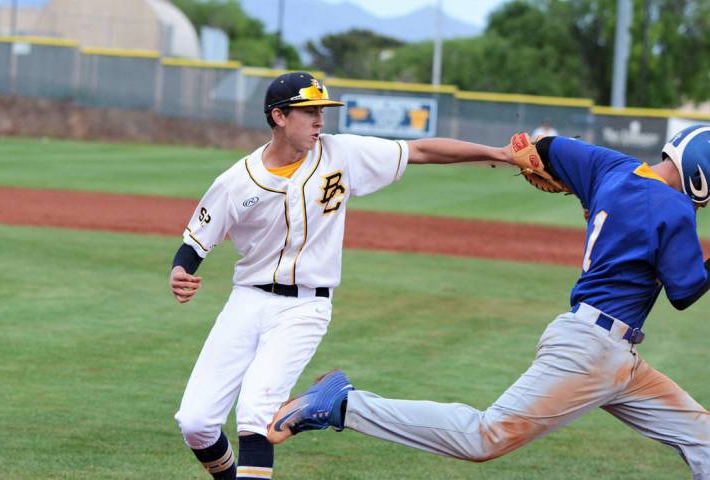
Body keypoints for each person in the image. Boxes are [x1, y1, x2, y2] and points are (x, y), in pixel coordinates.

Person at [268, 125, 710, 478]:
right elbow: (685, 292)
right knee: (484, 437)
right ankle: (343, 404)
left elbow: (549, 148)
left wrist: (585, 192)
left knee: (704, 440)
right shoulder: (673, 209)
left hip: (612, 355)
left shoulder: (615, 169)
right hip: (591, 353)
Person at [168, 71, 518, 480]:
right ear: (279, 117)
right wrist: (181, 271)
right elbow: (196, 240)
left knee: (255, 415)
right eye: (309, 112)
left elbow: (420, 150)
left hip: (304, 307)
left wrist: (500, 152)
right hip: (246, 300)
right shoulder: (236, 181)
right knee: (195, 423)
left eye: (322, 111)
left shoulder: (341, 154)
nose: (320, 120)